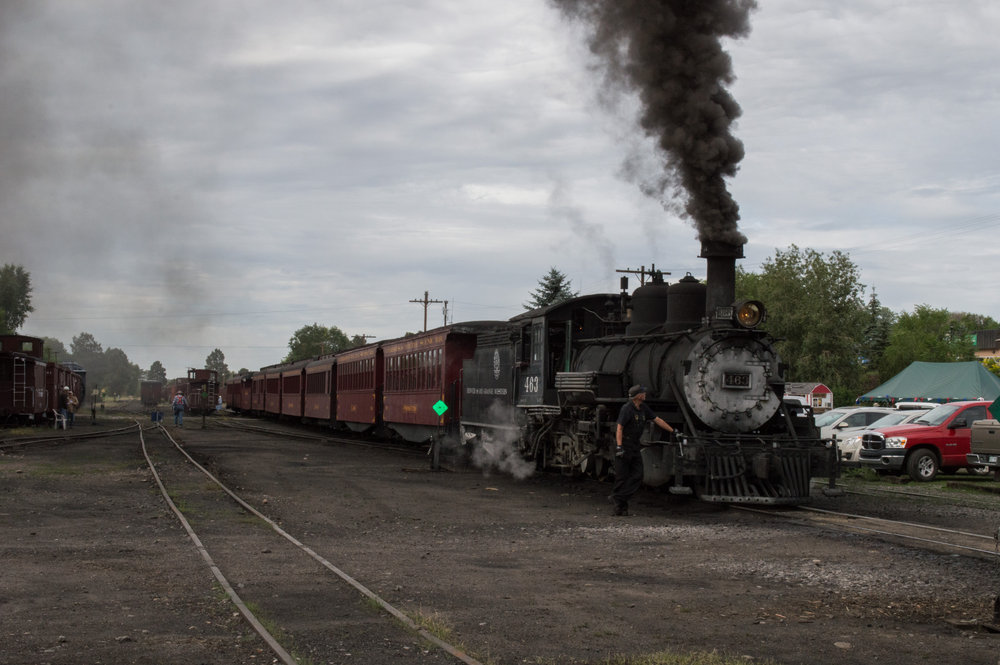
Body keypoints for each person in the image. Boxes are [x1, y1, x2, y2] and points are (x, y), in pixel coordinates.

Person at [612, 384, 675, 516]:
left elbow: (657, 420)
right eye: (643, 393)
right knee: (622, 476)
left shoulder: (643, 407)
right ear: (638, 396)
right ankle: (620, 507)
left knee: (638, 475)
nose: (645, 394)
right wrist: (619, 447)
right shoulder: (626, 409)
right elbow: (619, 428)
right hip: (624, 445)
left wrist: (673, 430)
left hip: (635, 445)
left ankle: (619, 498)